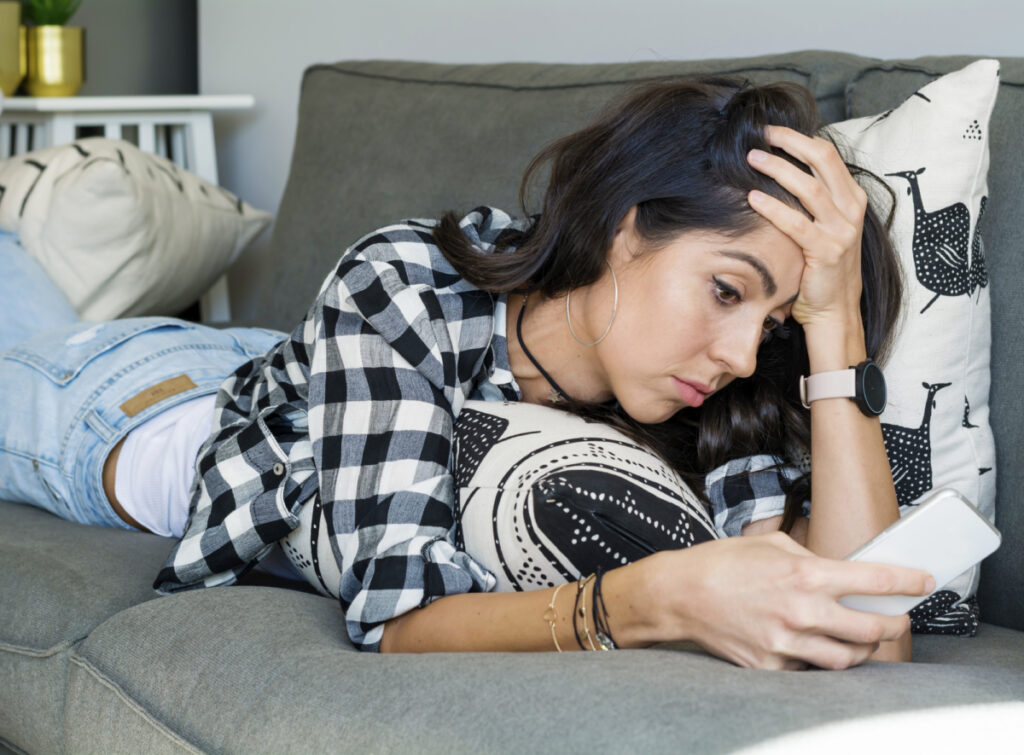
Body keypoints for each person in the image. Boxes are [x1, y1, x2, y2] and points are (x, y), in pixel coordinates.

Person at [0, 76, 935, 671]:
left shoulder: (724, 401)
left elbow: (876, 629)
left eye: (773, 322)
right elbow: (400, 621)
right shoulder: (406, 278)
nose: (740, 354)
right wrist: (647, 602)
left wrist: (831, 326)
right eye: (728, 289)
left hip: (311, 360)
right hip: (134, 407)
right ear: (625, 229)